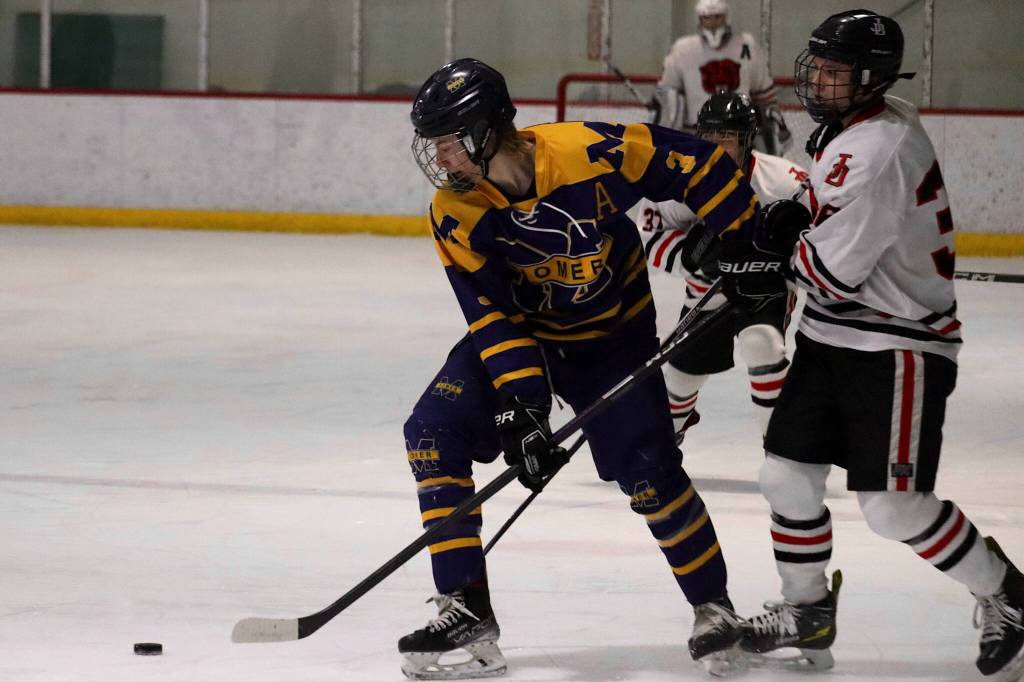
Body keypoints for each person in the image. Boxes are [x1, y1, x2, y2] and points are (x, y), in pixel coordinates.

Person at [399, 57, 762, 679]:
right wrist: (523, 408)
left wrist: (746, 240)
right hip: (530, 336)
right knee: (433, 433)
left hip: (611, 338)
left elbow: (697, 163)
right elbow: (492, 315)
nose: (441, 158)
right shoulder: (455, 211)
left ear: (486, 130)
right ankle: (465, 607)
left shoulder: (587, 151)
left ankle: (714, 608)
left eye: (450, 142)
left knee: (649, 470)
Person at [716, 10, 1024, 678]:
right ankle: (806, 611)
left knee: (893, 507)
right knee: (786, 477)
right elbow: (824, 221)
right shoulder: (855, 125)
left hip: (897, 342)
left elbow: (831, 274)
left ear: (870, 77)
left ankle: (1009, 593)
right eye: (819, 67)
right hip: (834, 333)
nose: (818, 81)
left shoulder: (878, 148)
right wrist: (793, 222)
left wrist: (766, 258)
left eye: (834, 71)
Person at [635, 91, 810, 442]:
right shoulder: (680, 178)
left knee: (762, 343)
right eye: (710, 135)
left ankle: (781, 448)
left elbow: (821, 238)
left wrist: (788, 251)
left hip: (764, 288)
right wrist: (693, 256)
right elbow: (651, 237)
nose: (716, 145)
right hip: (706, 290)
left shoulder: (786, 181)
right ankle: (664, 444)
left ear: (746, 140)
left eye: (727, 137)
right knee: (681, 375)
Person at [652, 0, 790, 155]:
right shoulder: (682, 49)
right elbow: (667, 98)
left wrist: (776, 126)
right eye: (707, 17)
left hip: (738, 137)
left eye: (717, 17)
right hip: (697, 136)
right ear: (699, 19)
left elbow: (765, 97)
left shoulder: (747, 45)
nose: (712, 23)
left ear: (726, 17)